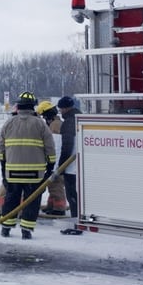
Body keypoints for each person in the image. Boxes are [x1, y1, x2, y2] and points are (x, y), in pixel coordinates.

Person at [0, 91, 56, 239]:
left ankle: (6, 228)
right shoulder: (40, 124)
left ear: (18, 106)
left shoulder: (8, 124)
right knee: (32, 201)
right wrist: (50, 166)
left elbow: (1, 148)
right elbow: (50, 148)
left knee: (11, 199)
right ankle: (26, 230)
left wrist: (3, 167)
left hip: (12, 173)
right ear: (32, 107)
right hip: (34, 174)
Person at [35, 100, 68, 216]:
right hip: (57, 161)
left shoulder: (55, 125)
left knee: (56, 185)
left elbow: (55, 145)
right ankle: (52, 205)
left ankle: (59, 208)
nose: (44, 118)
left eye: (44, 116)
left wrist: (54, 164)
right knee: (52, 185)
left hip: (57, 162)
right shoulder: (55, 123)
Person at [57, 95, 83, 235]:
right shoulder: (80, 118)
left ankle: (76, 226)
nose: (60, 112)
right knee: (79, 197)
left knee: (72, 197)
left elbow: (66, 146)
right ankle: (80, 223)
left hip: (71, 167)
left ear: (66, 108)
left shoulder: (68, 122)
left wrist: (60, 167)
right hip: (81, 165)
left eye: (61, 109)